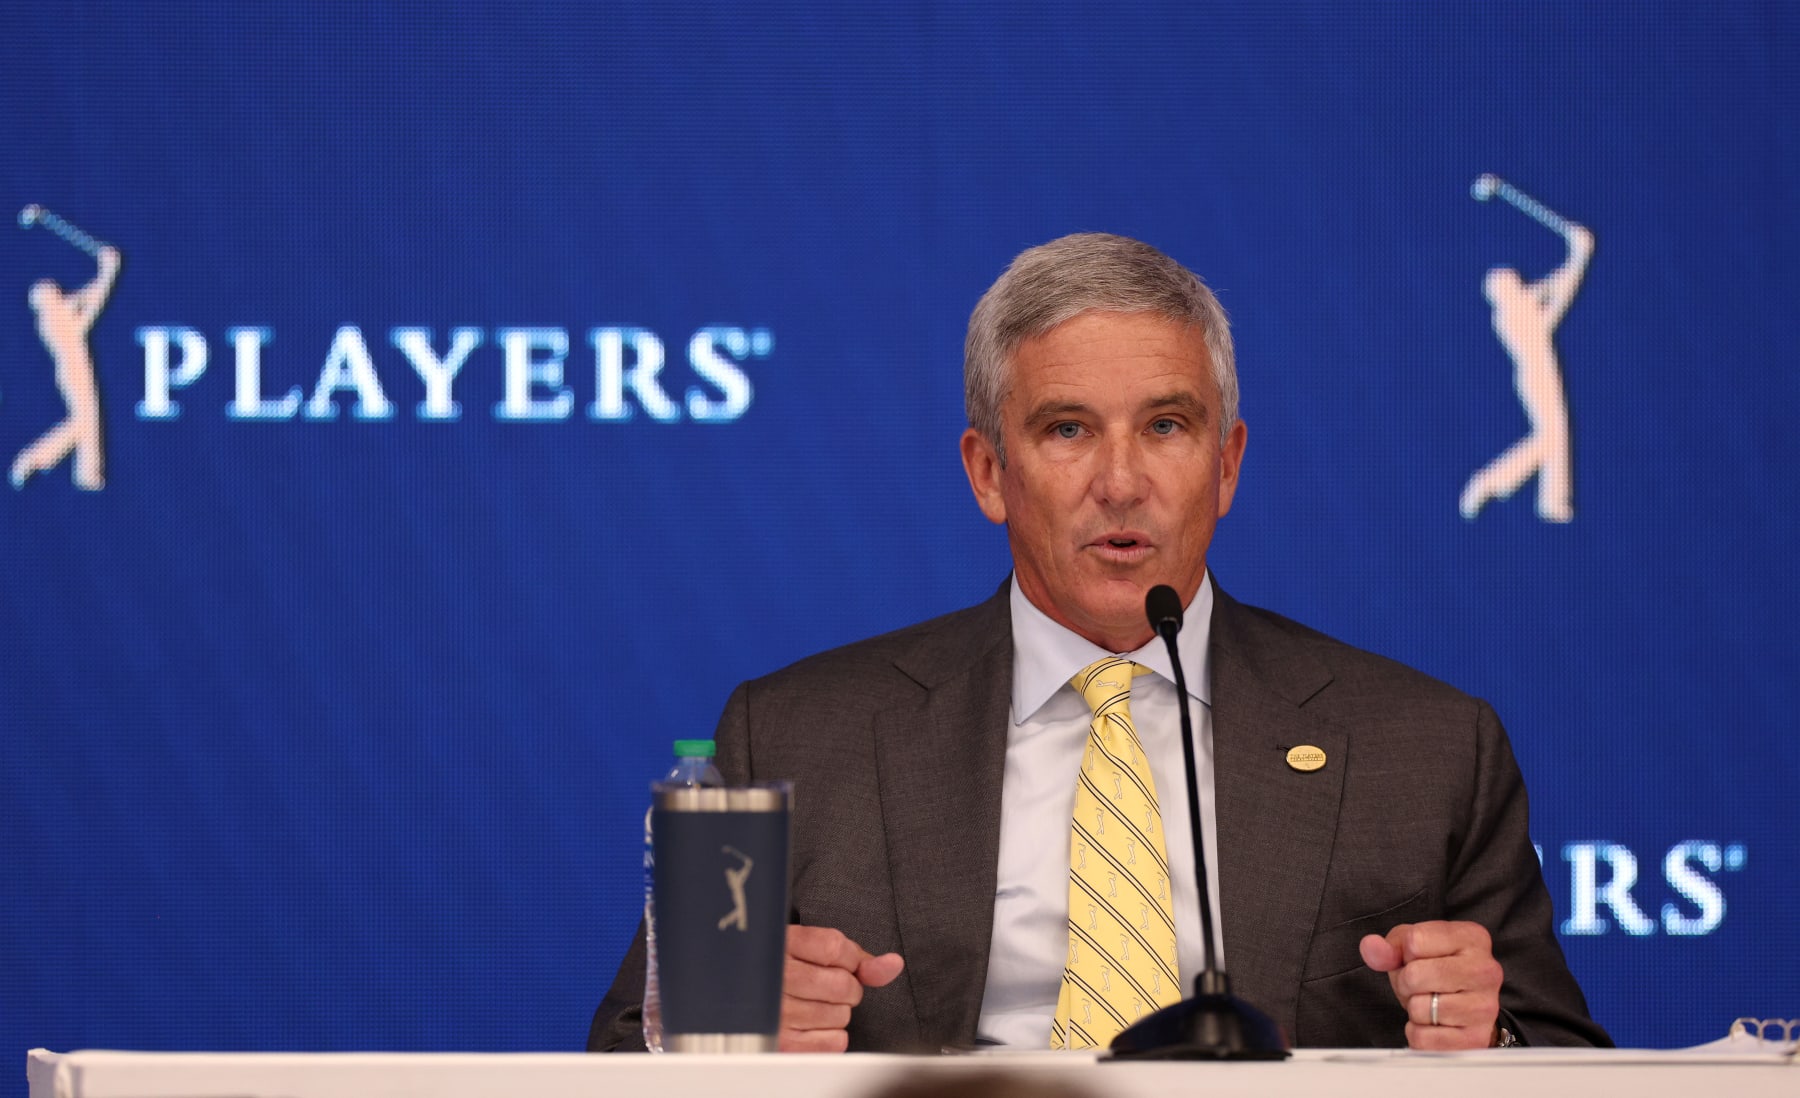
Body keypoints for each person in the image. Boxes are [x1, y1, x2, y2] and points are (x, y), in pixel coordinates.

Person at [590, 233, 1608, 1053]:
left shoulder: (1426, 749)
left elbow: (1564, 1057)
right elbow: (629, 1050)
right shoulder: (797, 737)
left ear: (1227, 465)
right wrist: (725, 1030)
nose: (1121, 484)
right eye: (1068, 430)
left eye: (1166, 426)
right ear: (989, 473)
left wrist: (1487, 1035)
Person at [11, 244, 121, 491]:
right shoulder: (53, 320)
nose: (60, 293)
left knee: (87, 419)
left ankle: (87, 474)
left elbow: (86, 296)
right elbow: (91, 308)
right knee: (84, 420)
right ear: (45, 302)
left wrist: (107, 271)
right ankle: (33, 459)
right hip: (74, 370)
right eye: (54, 293)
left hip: (76, 367)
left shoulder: (58, 312)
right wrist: (108, 272)